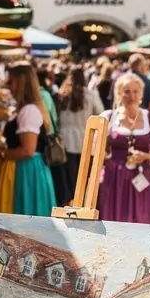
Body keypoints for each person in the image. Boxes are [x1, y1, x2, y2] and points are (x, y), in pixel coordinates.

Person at [0, 64, 57, 218]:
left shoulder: (29, 110)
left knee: (24, 214)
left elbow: (27, 150)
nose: (8, 87)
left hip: (27, 171)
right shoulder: (24, 109)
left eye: (11, 82)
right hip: (21, 168)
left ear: (22, 83)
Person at [98, 72, 150, 225]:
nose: (132, 96)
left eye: (136, 91)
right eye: (126, 91)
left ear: (141, 93)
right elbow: (98, 153)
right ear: (119, 93)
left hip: (142, 179)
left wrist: (147, 156)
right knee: (112, 222)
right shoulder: (108, 117)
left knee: (142, 221)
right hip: (113, 178)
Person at [56, 67, 104, 203]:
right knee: (84, 174)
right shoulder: (90, 94)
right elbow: (100, 112)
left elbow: (57, 117)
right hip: (85, 138)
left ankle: (71, 200)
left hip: (65, 140)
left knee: (70, 175)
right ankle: (82, 200)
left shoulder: (63, 94)